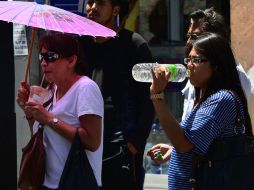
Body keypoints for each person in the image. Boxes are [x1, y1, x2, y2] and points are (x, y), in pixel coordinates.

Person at [148, 7, 252, 165]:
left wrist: (157, 96)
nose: (189, 41)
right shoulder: (197, 76)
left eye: (195, 36)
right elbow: (193, 134)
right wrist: (173, 149)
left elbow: (193, 142)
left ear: (214, 39)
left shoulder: (228, 87)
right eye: (188, 35)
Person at [78, 0, 155, 189]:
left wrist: (134, 143)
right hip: (84, 144)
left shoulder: (135, 45)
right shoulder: (79, 45)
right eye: (89, 2)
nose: (92, 8)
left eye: (100, 3)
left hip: (121, 149)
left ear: (116, 10)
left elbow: (149, 98)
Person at [16, 33, 104, 189]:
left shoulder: (85, 88)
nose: (44, 63)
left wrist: (49, 118)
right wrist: (30, 114)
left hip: (76, 182)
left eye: (50, 57)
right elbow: (40, 134)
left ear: (71, 60)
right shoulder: (51, 90)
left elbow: (92, 141)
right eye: (41, 57)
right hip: (47, 183)